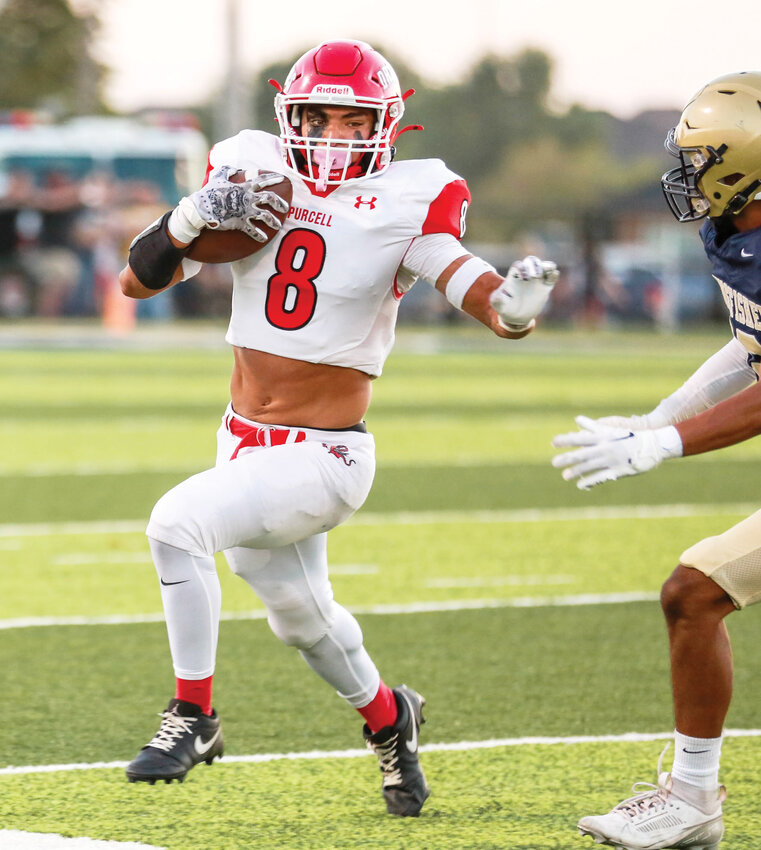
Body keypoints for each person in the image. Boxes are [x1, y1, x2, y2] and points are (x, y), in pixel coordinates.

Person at [118, 39, 558, 816]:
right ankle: (392, 721)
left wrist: (512, 307)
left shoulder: (406, 200)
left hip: (324, 458)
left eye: (349, 121)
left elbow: (473, 285)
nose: (328, 135)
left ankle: (193, 715)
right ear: (286, 115)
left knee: (174, 524)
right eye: (314, 116)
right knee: (302, 619)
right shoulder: (257, 176)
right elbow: (138, 279)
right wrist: (185, 217)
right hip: (241, 441)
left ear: (383, 128)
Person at [552, 71, 761, 849]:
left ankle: (692, 800)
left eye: (698, 160)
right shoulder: (739, 227)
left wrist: (660, 445)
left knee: (693, 592)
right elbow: (751, 344)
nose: (684, 176)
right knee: (693, 593)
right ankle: (691, 801)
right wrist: (660, 416)